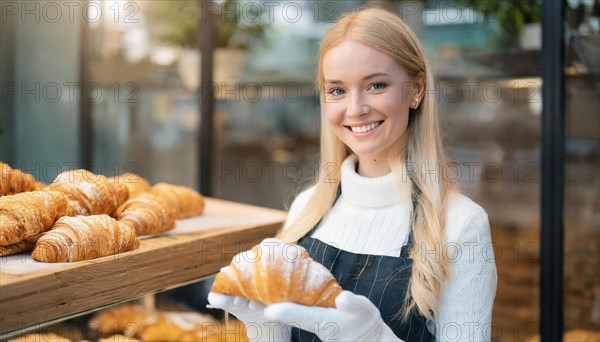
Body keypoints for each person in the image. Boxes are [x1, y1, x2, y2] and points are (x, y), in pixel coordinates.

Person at [208, 6, 497, 342]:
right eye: (337, 90)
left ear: (416, 90)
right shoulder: (307, 209)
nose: (356, 108)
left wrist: (375, 338)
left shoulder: (461, 226)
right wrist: (263, 324)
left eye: (376, 85)